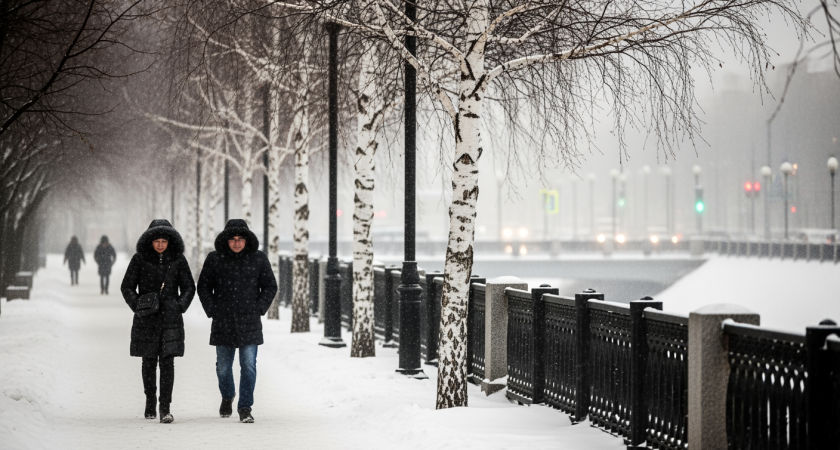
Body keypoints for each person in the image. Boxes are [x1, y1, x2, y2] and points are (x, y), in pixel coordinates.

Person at [197, 219, 277, 423]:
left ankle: (245, 407)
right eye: (232, 239)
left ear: (246, 240)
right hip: (223, 321)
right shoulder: (215, 259)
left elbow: (270, 286)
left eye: (240, 239)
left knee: (248, 366)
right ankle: (227, 395)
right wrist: (213, 309)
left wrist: (259, 307)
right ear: (226, 240)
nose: (236, 243)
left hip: (249, 321)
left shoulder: (258, 258)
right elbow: (203, 286)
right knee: (223, 367)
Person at [121, 219, 195, 424]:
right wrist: (138, 305)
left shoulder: (178, 260)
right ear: (150, 241)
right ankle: (150, 400)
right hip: (147, 319)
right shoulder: (139, 259)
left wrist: (179, 305)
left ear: (170, 241)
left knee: (168, 363)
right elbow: (126, 286)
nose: (160, 245)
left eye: (164, 240)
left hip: (170, 320)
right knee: (148, 362)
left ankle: (165, 407)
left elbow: (189, 287)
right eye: (157, 241)